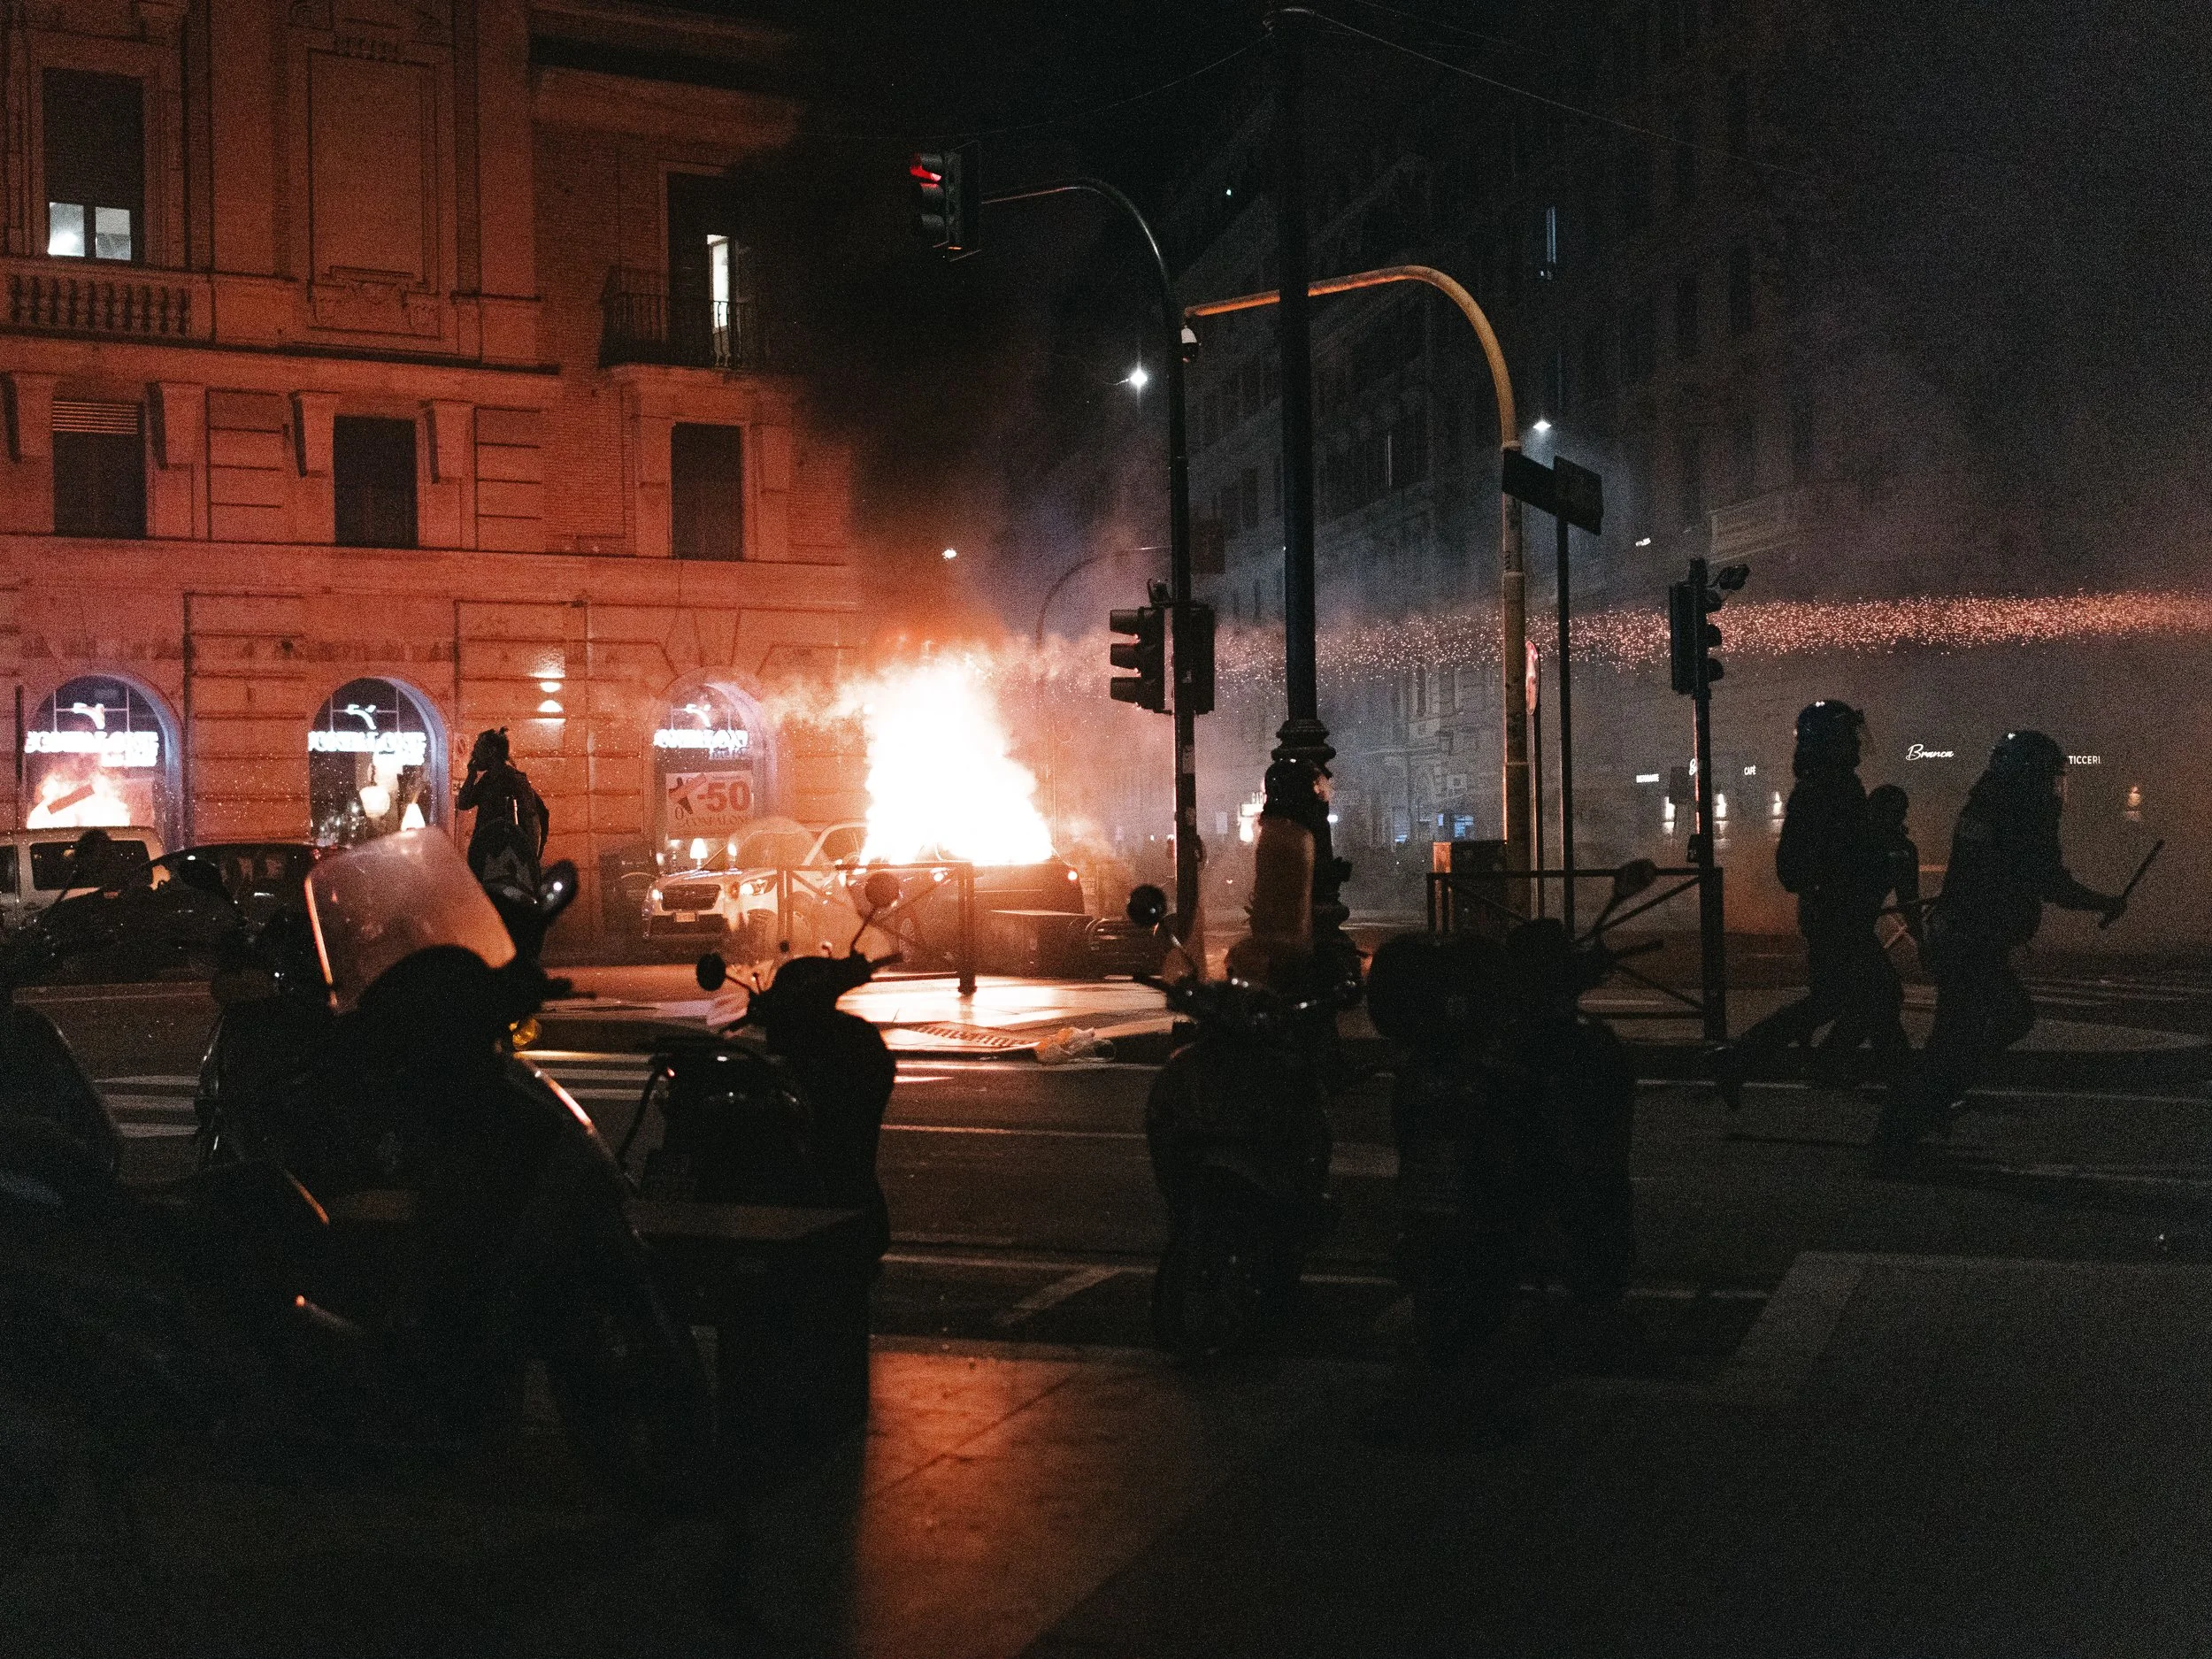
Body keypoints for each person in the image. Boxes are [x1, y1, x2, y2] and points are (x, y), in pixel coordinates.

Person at [1871, 730, 2125, 1168]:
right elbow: (2047, 879)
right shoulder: (2016, 814)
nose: (2052, 787)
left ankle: (1907, 1123)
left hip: (1963, 936)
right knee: (2002, 1020)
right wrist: (2101, 902)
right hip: (1974, 939)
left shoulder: (1988, 806)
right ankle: (1909, 1120)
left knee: (1953, 1037)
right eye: (2046, 776)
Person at [1714, 701, 1869, 1108]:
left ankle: (1836, 1069)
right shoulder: (1824, 790)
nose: (1857, 744)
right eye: (1850, 736)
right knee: (1855, 997)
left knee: (1854, 998)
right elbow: (1796, 866)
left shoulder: (1832, 784)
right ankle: (1745, 1058)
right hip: (1834, 912)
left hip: (1840, 910)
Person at [1813, 782, 1921, 1081]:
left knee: (1873, 999)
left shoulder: (1862, 840)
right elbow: (1908, 902)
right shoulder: (1887, 846)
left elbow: (1908, 901)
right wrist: (1922, 942)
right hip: (1844, 928)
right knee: (1879, 996)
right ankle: (1895, 1070)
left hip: (1846, 927)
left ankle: (1834, 1059)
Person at [456, 727, 548, 894]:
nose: (473, 753)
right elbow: (463, 803)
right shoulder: (489, 779)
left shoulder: (514, 780)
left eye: (477, 748)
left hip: (506, 865)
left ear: (491, 751)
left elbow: (532, 821)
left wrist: (528, 860)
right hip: (489, 859)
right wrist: (471, 775)